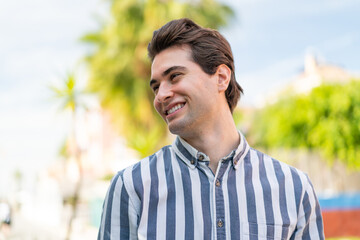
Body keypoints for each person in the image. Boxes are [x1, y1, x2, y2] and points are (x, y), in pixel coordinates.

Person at [98, 18, 324, 240]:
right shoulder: (132, 187)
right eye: (156, 86)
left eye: (174, 76)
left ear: (221, 78)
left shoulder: (294, 188)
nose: (160, 96)